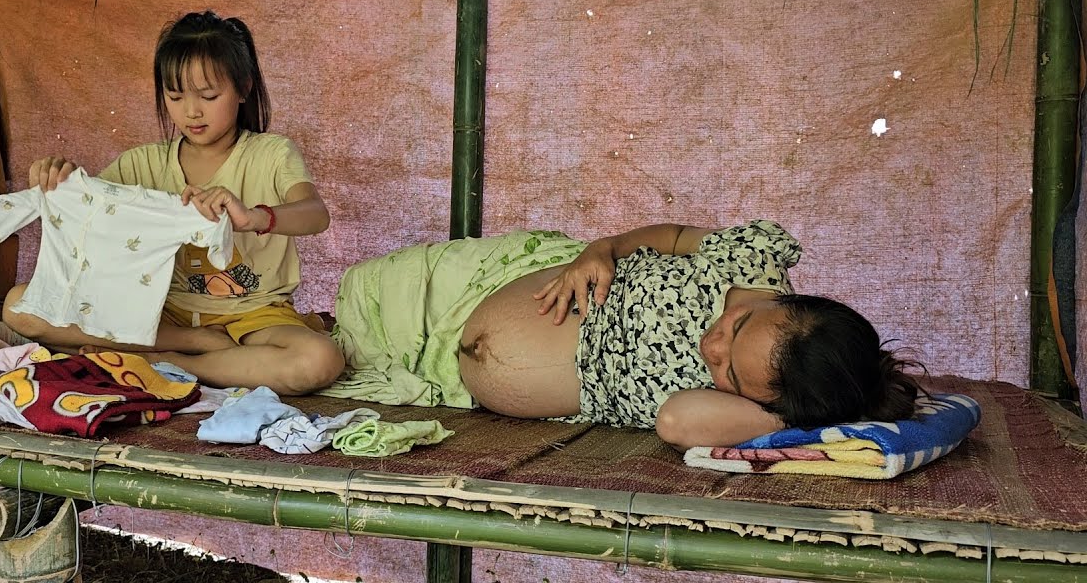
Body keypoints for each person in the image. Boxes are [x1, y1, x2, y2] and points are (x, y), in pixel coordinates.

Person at [321, 220, 920, 449]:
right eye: (736, 325)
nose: (711, 347)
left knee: (326, 363)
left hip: (447, 380)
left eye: (729, 372)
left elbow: (675, 423)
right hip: (483, 282)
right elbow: (669, 238)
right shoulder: (750, 261)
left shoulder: (748, 408)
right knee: (357, 295)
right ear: (787, 300)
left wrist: (795, 416)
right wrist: (601, 250)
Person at [3, 11, 344, 395]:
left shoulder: (272, 154)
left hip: (255, 316)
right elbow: (90, 214)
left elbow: (315, 214)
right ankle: (195, 344)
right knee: (19, 305)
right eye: (175, 96)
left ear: (243, 88)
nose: (191, 112)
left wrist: (252, 218)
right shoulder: (141, 164)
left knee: (320, 359)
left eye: (208, 96)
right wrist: (59, 181)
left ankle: (167, 362)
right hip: (161, 313)